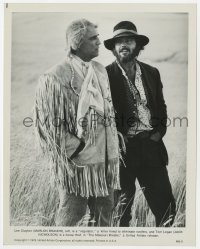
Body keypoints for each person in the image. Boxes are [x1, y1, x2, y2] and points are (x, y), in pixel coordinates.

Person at [34, 19, 121, 227]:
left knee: (105, 216)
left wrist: (113, 143)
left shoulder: (100, 70)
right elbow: (49, 125)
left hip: (105, 162)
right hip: (76, 165)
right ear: (76, 43)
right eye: (93, 38)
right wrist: (76, 150)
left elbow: (107, 111)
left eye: (98, 37)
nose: (99, 42)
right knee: (71, 216)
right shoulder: (55, 76)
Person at [104, 21, 176, 227]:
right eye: (119, 42)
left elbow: (160, 106)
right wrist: (117, 138)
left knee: (166, 210)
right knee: (120, 211)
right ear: (113, 47)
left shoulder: (152, 72)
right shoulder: (105, 75)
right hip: (121, 152)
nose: (123, 45)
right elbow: (99, 114)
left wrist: (158, 133)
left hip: (151, 148)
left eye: (128, 40)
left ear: (138, 45)